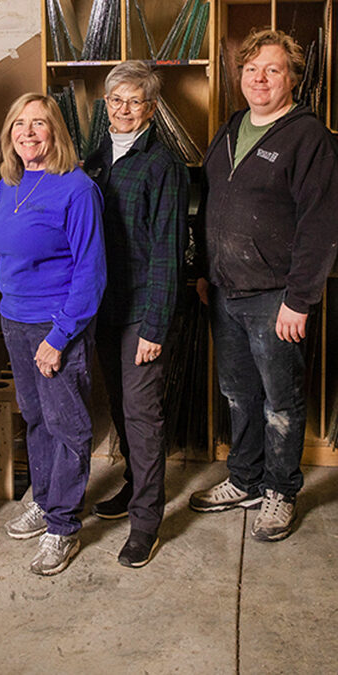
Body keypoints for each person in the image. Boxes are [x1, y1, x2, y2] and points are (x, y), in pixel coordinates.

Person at [192, 29, 338, 541]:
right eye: (251, 69)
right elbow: (212, 204)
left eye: (272, 70)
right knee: (238, 393)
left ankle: (280, 490)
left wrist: (299, 300)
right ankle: (245, 478)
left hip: (277, 296)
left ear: (292, 79)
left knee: (281, 399)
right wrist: (205, 273)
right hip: (226, 292)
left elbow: (321, 226)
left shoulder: (309, 137)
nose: (259, 78)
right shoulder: (230, 128)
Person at [0, 93, 106, 575]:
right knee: (36, 419)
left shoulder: (76, 188)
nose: (28, 132)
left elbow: (91, 272)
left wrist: (59, 337)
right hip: (14, 319)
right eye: (19, 123)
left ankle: (63, 526)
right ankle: (45, 498)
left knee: (69, 426)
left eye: (39, 123)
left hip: (56, 324)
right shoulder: (11, 182)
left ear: (56, 131)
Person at [82, 62, 188, 568]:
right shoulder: (95, 158)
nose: (124, 110)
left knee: (144, 417)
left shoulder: (162, 165)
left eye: (135, 102)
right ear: (106, 104)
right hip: (104, 309)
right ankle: (131, 487)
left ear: (150, 108)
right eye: (116, 100)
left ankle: (147, 522)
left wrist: (155, 327)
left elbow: (168, 251)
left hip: (142, 313)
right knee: (123, 409)